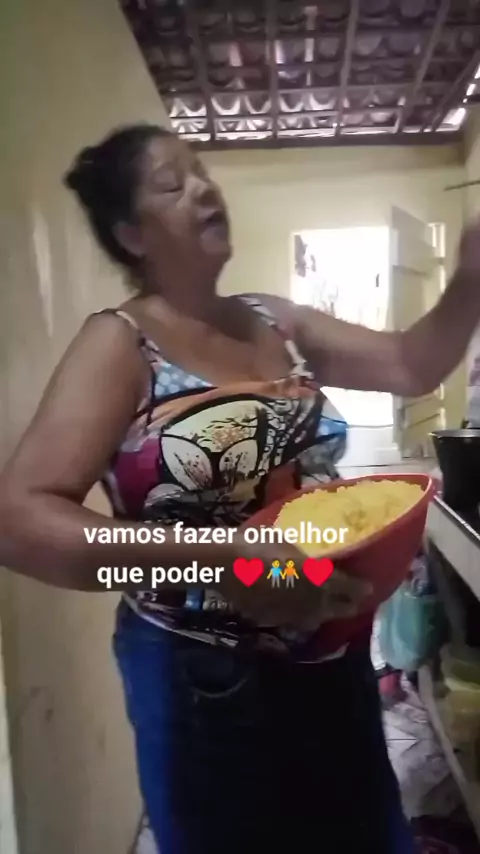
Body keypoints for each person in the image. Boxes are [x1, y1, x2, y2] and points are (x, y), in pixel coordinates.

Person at [1, 124, 480, 854]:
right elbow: (19, 523)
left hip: (329, 650)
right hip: (203, 675)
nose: (203, 188)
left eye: (201, 172)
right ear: (131, 234)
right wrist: (221, 559)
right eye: (173, 184)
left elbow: (411, 365)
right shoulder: (121, 343)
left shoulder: (274, 320)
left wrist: (470, 276)